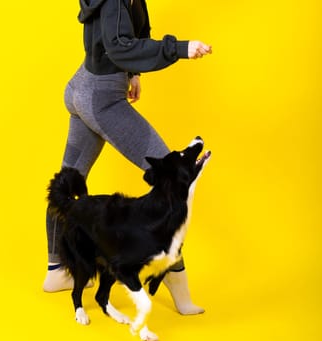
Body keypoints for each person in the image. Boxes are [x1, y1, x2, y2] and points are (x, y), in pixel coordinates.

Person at [43, 0, 212, 315]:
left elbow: (120, 36)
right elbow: (119, 45)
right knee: (173, 178)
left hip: (83, 86)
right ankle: (181, 292)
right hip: (102, 98)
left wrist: (131, 72)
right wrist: (180, 48)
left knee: (70, 175)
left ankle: (57, 270)